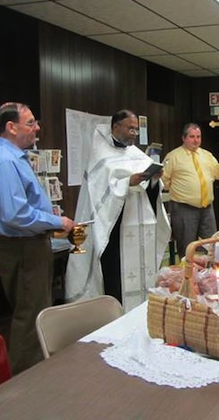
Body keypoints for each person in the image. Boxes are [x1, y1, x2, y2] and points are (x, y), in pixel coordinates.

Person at [0, 102, 75, 374]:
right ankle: (25, 380)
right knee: (30, 316)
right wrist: (57, 222)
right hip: (23, 247)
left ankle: (36, 373)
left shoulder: (14, 157)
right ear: (11, 127)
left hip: (29, 245)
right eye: (31, 122)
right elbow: (16, 214)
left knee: (36, 312)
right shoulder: (4, 160)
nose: (37, 128)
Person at [65, 109, 171, 312]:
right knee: (116, 276)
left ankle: (142, 312)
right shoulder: (100, 156)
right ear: (115, 127)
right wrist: (126, 183)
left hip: (139, 227)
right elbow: (99, 193)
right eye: (130, 128)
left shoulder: (136, 154)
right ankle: (115, 315)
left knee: (142, 275)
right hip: (114, 230)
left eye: (136, 129)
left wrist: (154, 180)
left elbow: (149, 191)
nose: (134, 133)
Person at [163, 123, 219, 260]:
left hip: (207, 207)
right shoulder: (173, 157)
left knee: (212, 244)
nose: (196, 140)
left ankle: (210, 276)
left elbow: (218, 175)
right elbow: (164, 180)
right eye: (192, 137)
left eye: (198, 137)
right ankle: (187, 277)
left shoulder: (206, 155)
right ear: (184, 138)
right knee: (187, 247)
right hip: (184, 208)